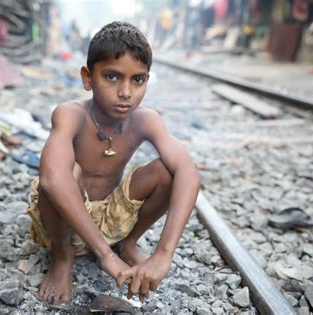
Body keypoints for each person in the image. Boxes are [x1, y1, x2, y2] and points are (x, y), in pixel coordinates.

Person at [27, 21, 200, 305]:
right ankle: (62, 257)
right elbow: (52, 180)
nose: (125, 92)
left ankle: (127, 243)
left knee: (168, 171)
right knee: (63, 171)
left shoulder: (146, 119)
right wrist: (104, 256)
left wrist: (163, 254)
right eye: (111, 77)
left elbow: (188, 173)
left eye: (137, 80)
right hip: (65, 217)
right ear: (87, 78)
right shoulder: (70, 115)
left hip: (112, 217)